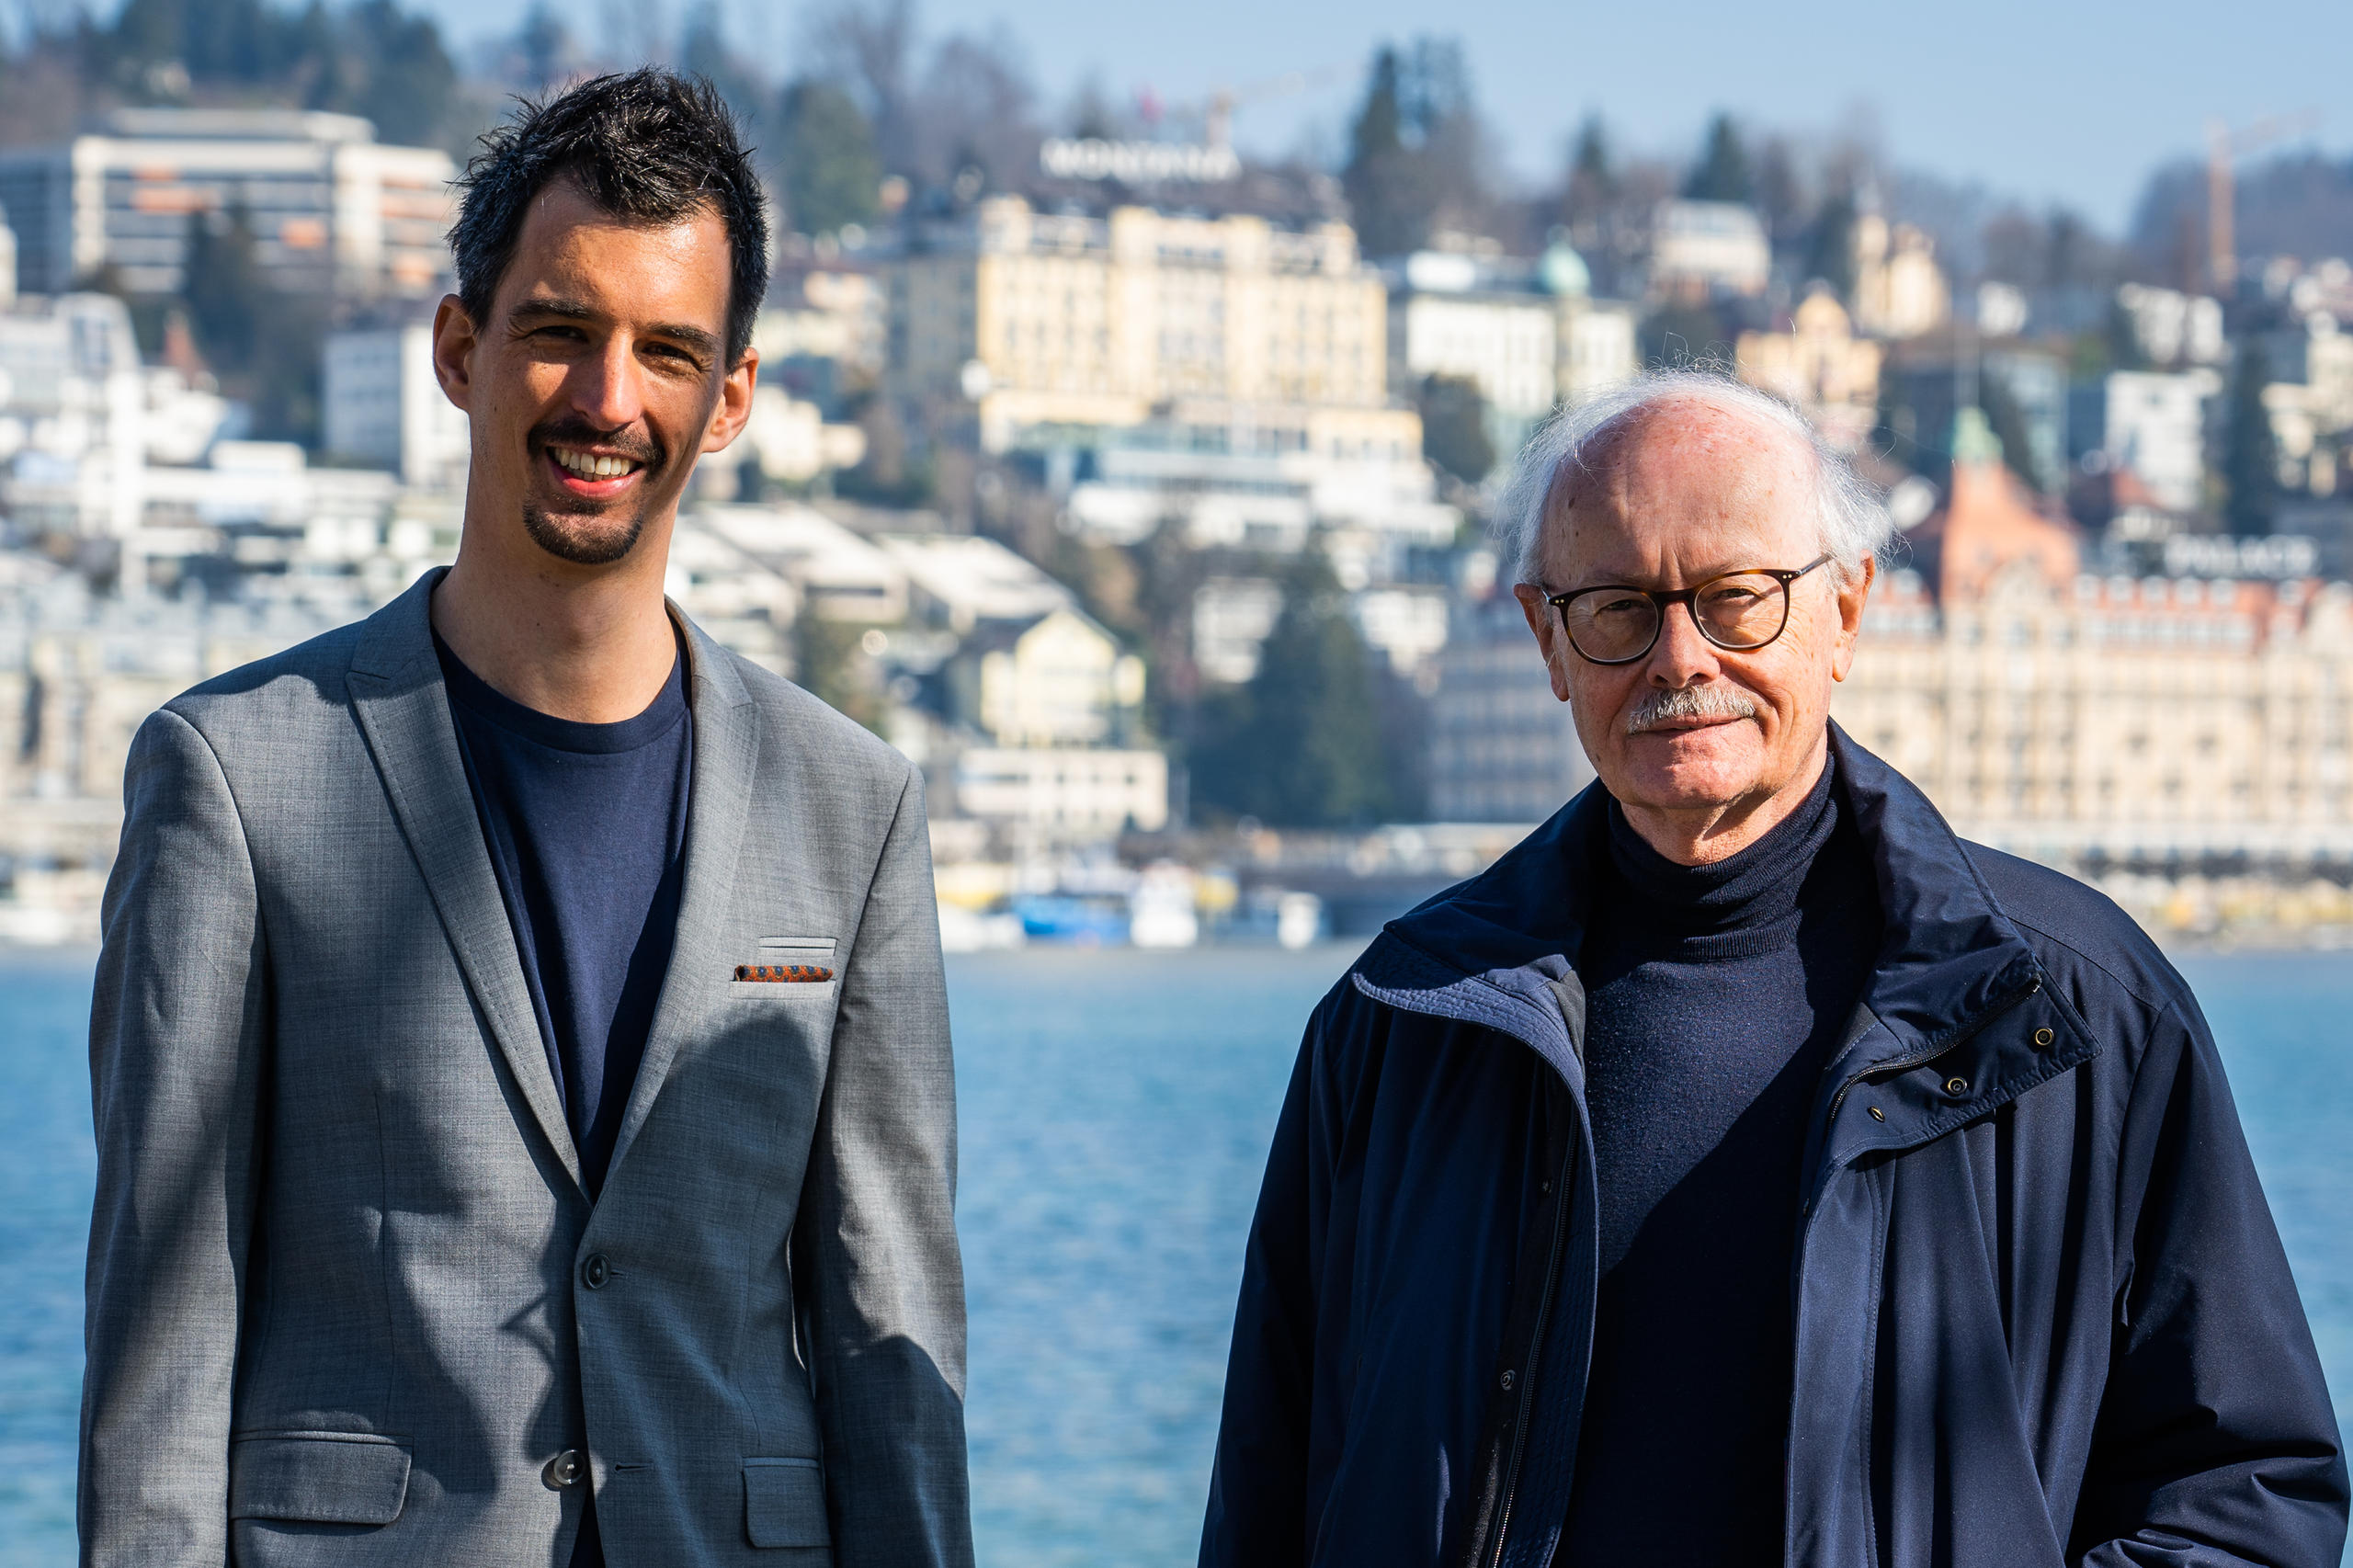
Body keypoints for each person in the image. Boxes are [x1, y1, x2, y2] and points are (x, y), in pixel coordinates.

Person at [1198, 370, 2348, 1568]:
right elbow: (1265, 1506)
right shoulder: (1399, 1025)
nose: (1679, 657)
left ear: (1847, 611)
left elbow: (2247, 1497)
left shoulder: (2074, 1011)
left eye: (1737, 599)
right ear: (1548, 639)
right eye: (1617, 609)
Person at [81, 70, 971, 1568]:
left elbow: (895, 1349)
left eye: (667, 351)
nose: (608, 398)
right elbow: (159, 1358)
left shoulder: (854, 809)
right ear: (459, 347)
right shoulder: (230, 783)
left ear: (734, 396)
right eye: (561, 330)